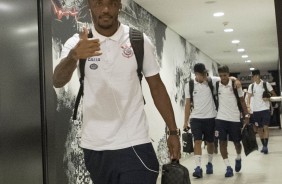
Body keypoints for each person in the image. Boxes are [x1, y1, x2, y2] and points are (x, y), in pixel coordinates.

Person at [53, 0, 181, 183]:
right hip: (95, 147)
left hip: (135, 143)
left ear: (119, 5)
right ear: (90, 5)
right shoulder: (77, 43)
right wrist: (74, 56)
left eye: (111, 3)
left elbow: (157, 87)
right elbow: (58, 80)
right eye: (98, 3)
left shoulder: (138, 41)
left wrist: (173, 132)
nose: (105, 9)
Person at [183, 63, 218, 178]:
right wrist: (185, 121)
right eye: (202, 73)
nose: (205, 75)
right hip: (196, 119)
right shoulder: (189, 85)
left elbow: (227, 78)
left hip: (210, 118)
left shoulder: (211, 81)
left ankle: (210, 163)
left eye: (205, 73)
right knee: (197, 141)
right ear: (196, 74)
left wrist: (234, 79)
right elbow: (187, 104)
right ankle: (198, 167)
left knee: (210, 142)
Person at [214, 65, 249, 177]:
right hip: (221, 118)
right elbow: (206, 77)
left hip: (234, 118)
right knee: (222, 142)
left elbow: (242, 100)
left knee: (237, 143)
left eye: (225, 75)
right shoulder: (216, 84)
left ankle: (238, 158)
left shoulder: (235, 85)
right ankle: (228, 167)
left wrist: (246, 115)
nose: (223, 78)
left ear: (228, 74)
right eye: (221, 76)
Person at [247, 69, 276, 154]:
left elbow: (274, 94)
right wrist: (248, 106)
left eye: (252, 76)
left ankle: (266, 146)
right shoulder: (251, 86)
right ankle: (264, 145)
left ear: (257, 76)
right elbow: (248, 97)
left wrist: (268, 96)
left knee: (265, 127)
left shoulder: (266, 84)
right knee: (259, 129)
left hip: (265, 109)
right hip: (255, 111)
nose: (252, 78)